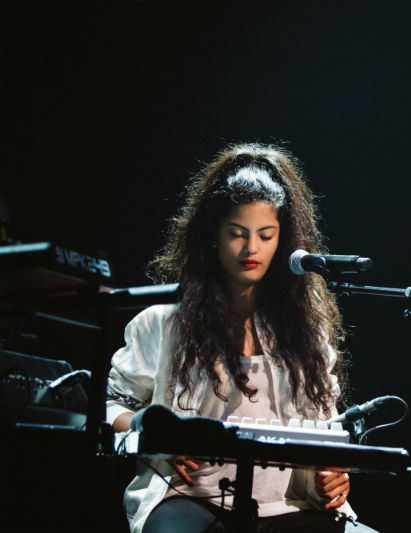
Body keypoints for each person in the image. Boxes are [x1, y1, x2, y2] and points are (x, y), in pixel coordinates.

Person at [106, 143, 372, 533]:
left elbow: (328, 427)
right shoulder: (161, 324)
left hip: (292, 506)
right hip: (190, 498)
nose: (252, 249)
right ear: (213, 236)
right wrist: (158, 434)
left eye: (266, 235)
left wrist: (333, 473)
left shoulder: (306, 331)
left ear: (283, 240)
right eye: (237, 234)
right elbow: (112, 407)